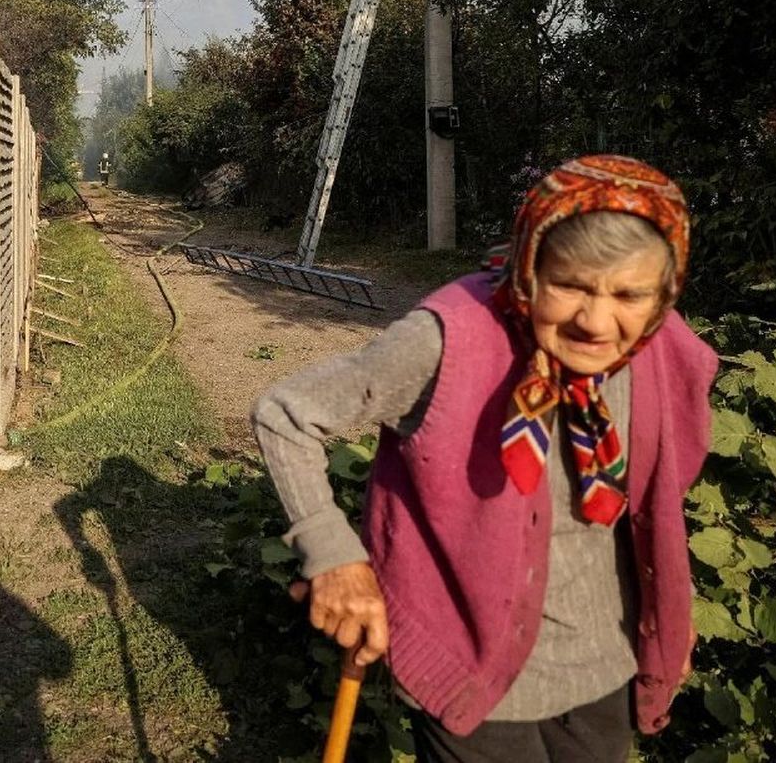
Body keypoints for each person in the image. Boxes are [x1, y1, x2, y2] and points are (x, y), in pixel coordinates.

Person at [251, 155, 717, 761]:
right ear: (530, 268)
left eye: (629, 294)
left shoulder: (661, 349)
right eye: (570, 285)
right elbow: (287, 413)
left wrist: (668, 613)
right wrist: (335, 558)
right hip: (469, 659)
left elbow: (658, 501)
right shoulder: (450, 337)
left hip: (605, 658)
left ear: (663, 293)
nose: (596, 321)